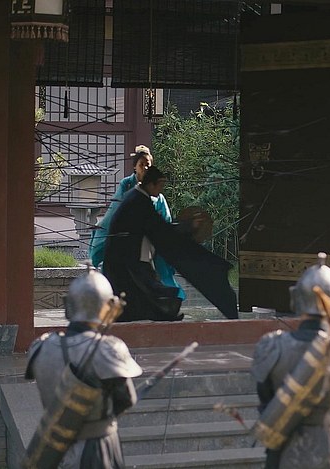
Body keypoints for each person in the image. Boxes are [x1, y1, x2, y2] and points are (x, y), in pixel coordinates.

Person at [25, 268, 142, 468]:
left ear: (67, 305)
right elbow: (126, 399)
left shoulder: (40, 346)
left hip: (51, 447)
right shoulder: (108, 348)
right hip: (96, 449)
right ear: (109, 306)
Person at [103, 165, 238, 321]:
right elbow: (159, 229)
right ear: (151, 184)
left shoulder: (134, 197)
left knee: (138, 293)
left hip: (125, 258)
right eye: (160, 185)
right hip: (126, 260)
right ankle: (164, 313)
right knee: (141, 290)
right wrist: (188, 227)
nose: (161, 189)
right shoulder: (139, 201)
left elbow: (157, 227)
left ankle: (162, 313)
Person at [250, 253, 330, 469]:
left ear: (296, 297)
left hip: (282, 448)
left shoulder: (273, 346)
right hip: (329, 451)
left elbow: (265, 398)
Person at [89, 145, 185, 301]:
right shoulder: (131, 191)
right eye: (142, 164)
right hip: (128, 246)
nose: (145, 167)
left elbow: (164, 221)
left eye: (148, 164)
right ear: (135, 166)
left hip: (145, 246)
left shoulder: (154, 197)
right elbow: (115, 214)